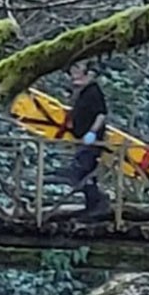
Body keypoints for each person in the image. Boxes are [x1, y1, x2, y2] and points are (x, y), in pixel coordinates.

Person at [55, 61, 110, 217]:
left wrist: (92, 132)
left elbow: (101, 114)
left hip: (92, 140)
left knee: (82, 171)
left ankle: (98, 204)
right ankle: (92, 205)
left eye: (77, 73)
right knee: (83, 172)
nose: (74, 77)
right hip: (82, 138)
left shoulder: (93, 92)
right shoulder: (83, 92)